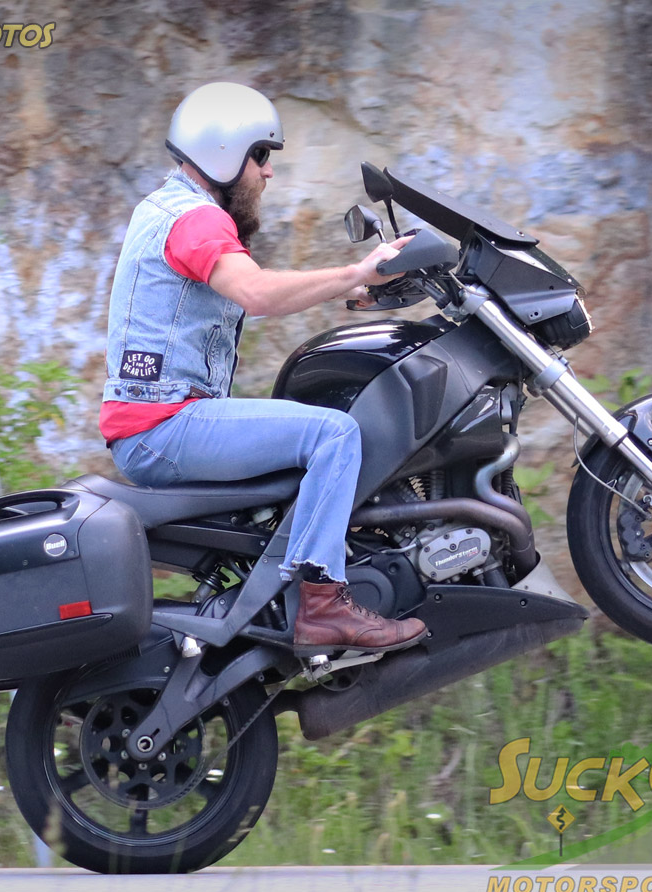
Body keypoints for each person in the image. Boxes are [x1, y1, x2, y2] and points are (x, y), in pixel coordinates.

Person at [101, 82, 427, 654]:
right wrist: (358, 271)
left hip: (157, 424)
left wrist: (355, 291)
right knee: (334, 434)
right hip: (163, 428)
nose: (267, 172)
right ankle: (321, 603)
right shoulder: (197, 220)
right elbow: (257, 292)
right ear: (223, 152)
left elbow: (256, 290)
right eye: (260, 156)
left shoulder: (166, 209)